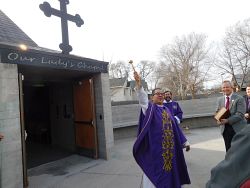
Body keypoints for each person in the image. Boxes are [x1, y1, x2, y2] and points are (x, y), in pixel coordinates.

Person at [132, 71, 191, 188]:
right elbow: (142, 98)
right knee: (156, 173)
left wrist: (184, 142)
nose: (160, 95)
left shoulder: (167, 110)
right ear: (152, 97)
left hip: (171, 149)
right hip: (156, 149)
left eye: (162, 94)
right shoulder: (149, 108)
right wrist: (139, 84)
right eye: (157, 94)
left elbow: (176, 128)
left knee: (171, 172)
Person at [215, 80, 246, 152]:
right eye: (223, 87)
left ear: (232, 88)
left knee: (240, 150)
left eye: (227, 87)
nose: (225, 89)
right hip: (225, 129)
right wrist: (217, 119)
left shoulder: (239, 98)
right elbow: (217, 111)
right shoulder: (219, 99)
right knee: (229, 150)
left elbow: (240, 114)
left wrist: (228, 120)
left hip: (237, 128)